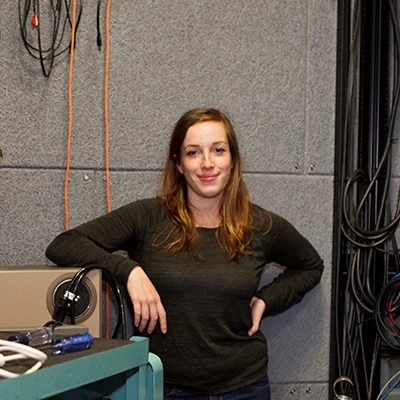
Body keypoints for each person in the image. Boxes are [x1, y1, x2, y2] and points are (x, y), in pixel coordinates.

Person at [46, 107, 324, 399]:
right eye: (193, 153)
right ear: (178, 164)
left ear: (232, 160)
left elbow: (310, 266)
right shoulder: (148, 217)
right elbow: (64, 244)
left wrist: (267, 300)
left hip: (245, 388)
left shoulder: (261, 226)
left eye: (218, 150)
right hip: (166, 388)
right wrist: (128, 270)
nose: (207, 163)